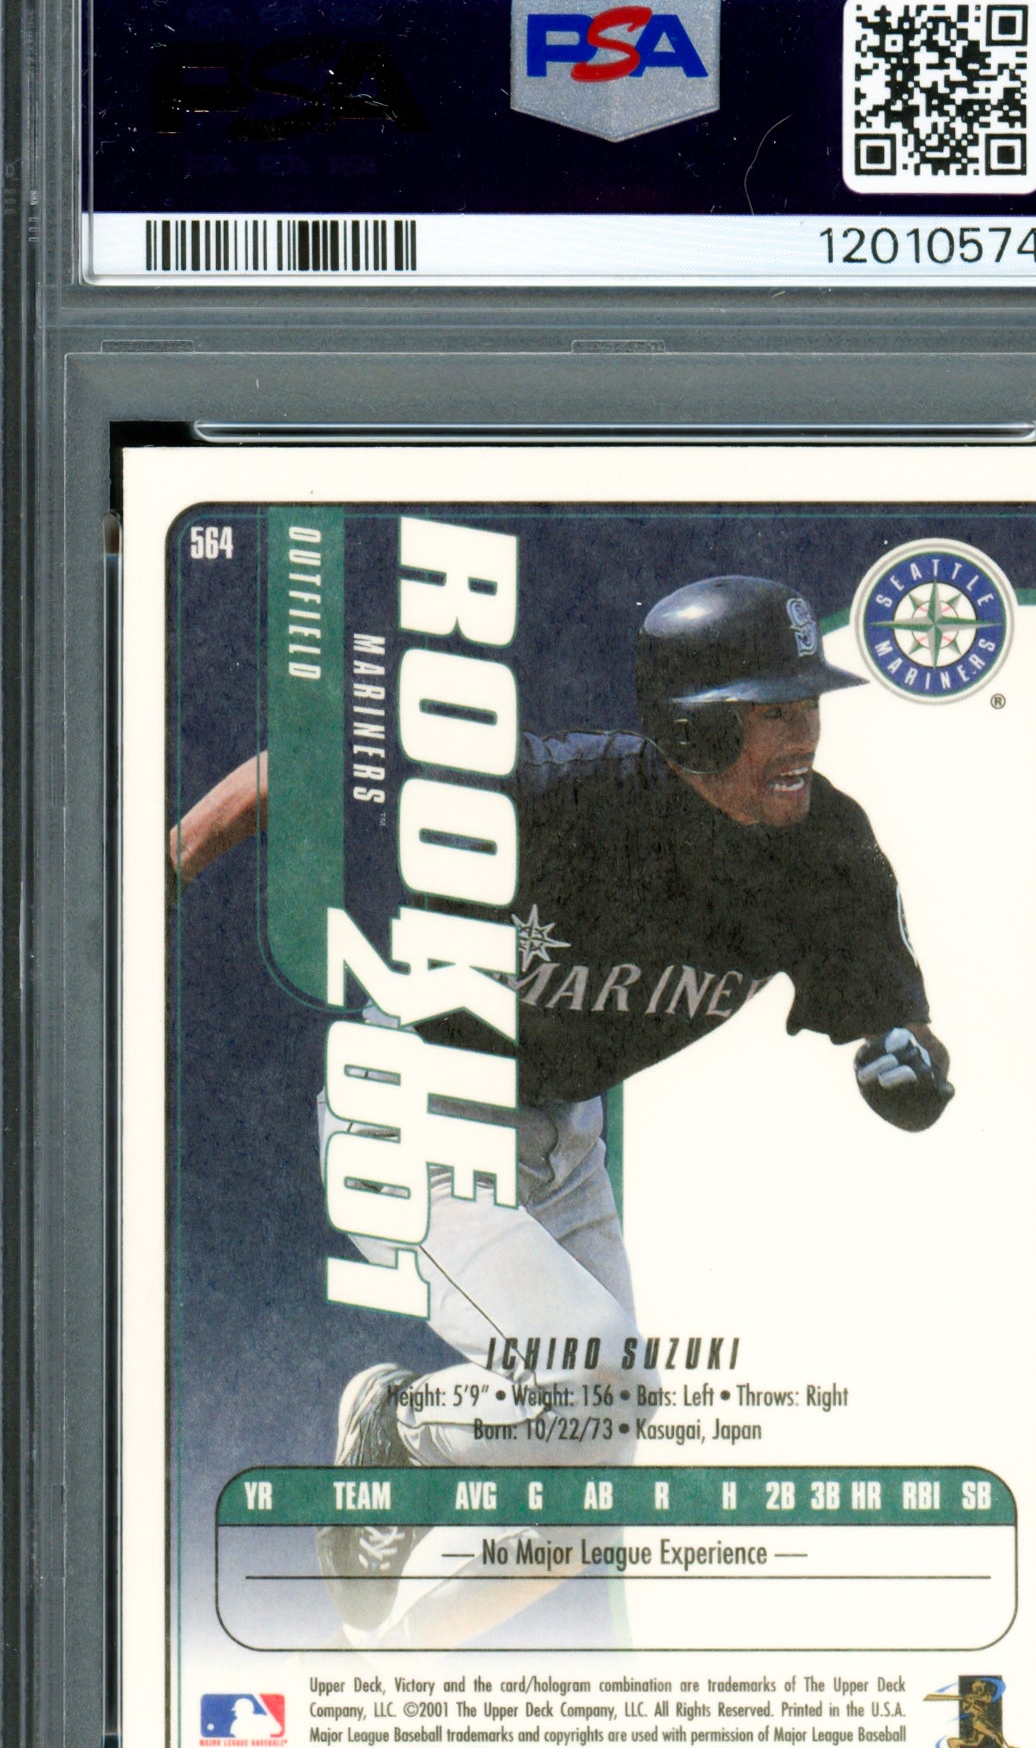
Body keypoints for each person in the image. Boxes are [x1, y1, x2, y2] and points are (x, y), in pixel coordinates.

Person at [170, 573, 952, 1639]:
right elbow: (304, 763)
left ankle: (394, 1668)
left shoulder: (826, 853)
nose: (804, 730)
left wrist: (906, 1065)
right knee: (595, 1369)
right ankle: (401, 1425)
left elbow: (898, 1034)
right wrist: (165, 868)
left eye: (807, 700)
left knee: (588, 1487)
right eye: (771, 708)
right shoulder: (561, 792)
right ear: (692, 727)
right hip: (416, 1103)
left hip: (560, 1134)